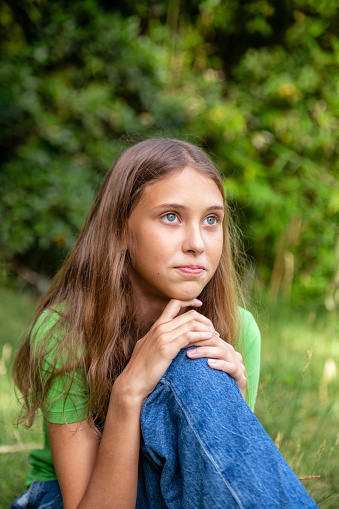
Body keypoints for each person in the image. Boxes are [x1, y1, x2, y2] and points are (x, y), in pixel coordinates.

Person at [11, 138, 317, 509]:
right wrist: (128, 392)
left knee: (198, 359)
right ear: (120, 230)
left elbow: (221, 482)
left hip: (176, 488)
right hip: (78, 496)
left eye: (211, 220)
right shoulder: (66, 333)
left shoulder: (238, 328)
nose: (197, 243)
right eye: (171, 216)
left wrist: (229, 399)